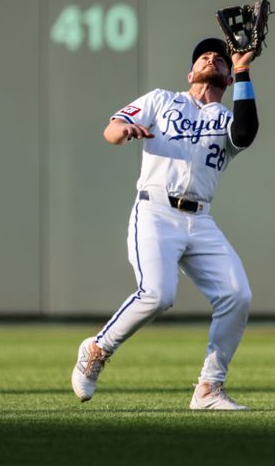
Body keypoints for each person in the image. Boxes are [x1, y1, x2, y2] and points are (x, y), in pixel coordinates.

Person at [71, 38, 259, 410]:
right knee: (158, 294)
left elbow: (246, 134)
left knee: (237, 295)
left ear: (226, 75)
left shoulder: (226, 119)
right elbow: (111, 128)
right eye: (204, 56)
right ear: (190, 73)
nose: (212, 58)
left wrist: (242, 68)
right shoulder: (161, 99)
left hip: (201, 219)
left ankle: (209, 388)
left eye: (219, 58)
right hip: (155, 210)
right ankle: (96, 349)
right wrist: (123, 132)